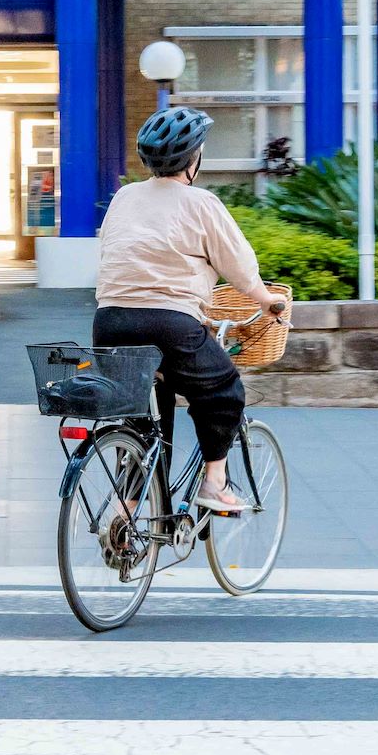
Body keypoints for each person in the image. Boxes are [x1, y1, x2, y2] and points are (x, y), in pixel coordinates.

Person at [93, 106, 285, 514]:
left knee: (140, 421)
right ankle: (215, 484)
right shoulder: (201, 203)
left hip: (109, 322)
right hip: (169, 326)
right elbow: (239, 268)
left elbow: (116, 253)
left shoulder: (124, 197)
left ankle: (125, 513)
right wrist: (265, 300)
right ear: (194, 158)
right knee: (223, 391)